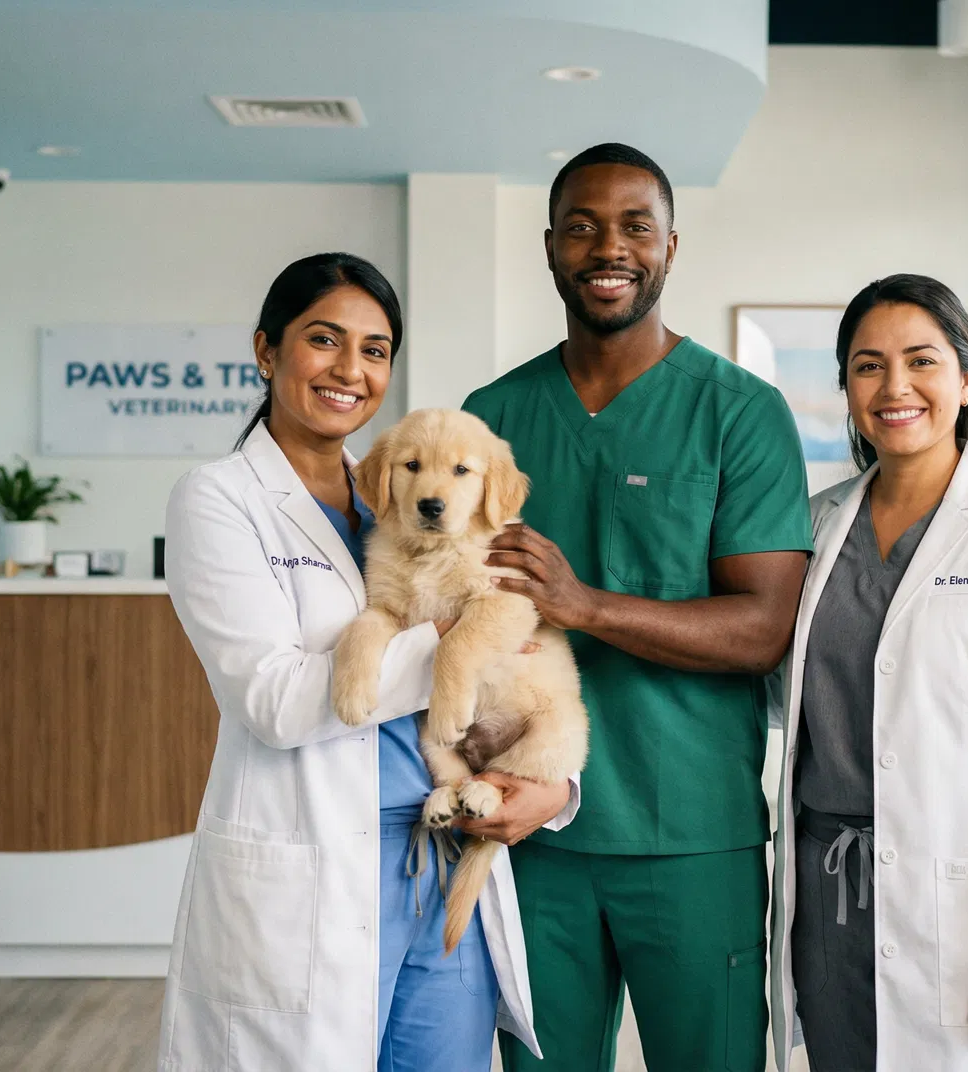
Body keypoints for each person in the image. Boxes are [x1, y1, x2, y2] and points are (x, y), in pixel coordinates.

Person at [156, 252, 577, 1072]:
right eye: (324, 340)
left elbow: (528, 666)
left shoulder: (395, 488)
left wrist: (552, 785)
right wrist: (459, 638)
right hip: (312, 859)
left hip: (441, 840)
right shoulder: (217, 500)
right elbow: (274, 703)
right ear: (267, 349)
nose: (351, 369)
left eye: (376, 350)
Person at [462, 143, 813, 1072]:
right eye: (581, 226)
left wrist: (583, 605)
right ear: (548, 248)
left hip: (693, 836)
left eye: (633, 226)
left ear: (670, 245)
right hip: (533, 830)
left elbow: (764, 628)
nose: (607, 247)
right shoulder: (492, 416)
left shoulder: (739, 412)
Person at [766, 274, 968, 1071]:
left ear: (966, 380)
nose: (896, 387)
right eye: (868, 366)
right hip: (829, 899)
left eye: (921, 361)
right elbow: (782, 699)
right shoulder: (815, 526)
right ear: (847, 387)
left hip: (967, 899)